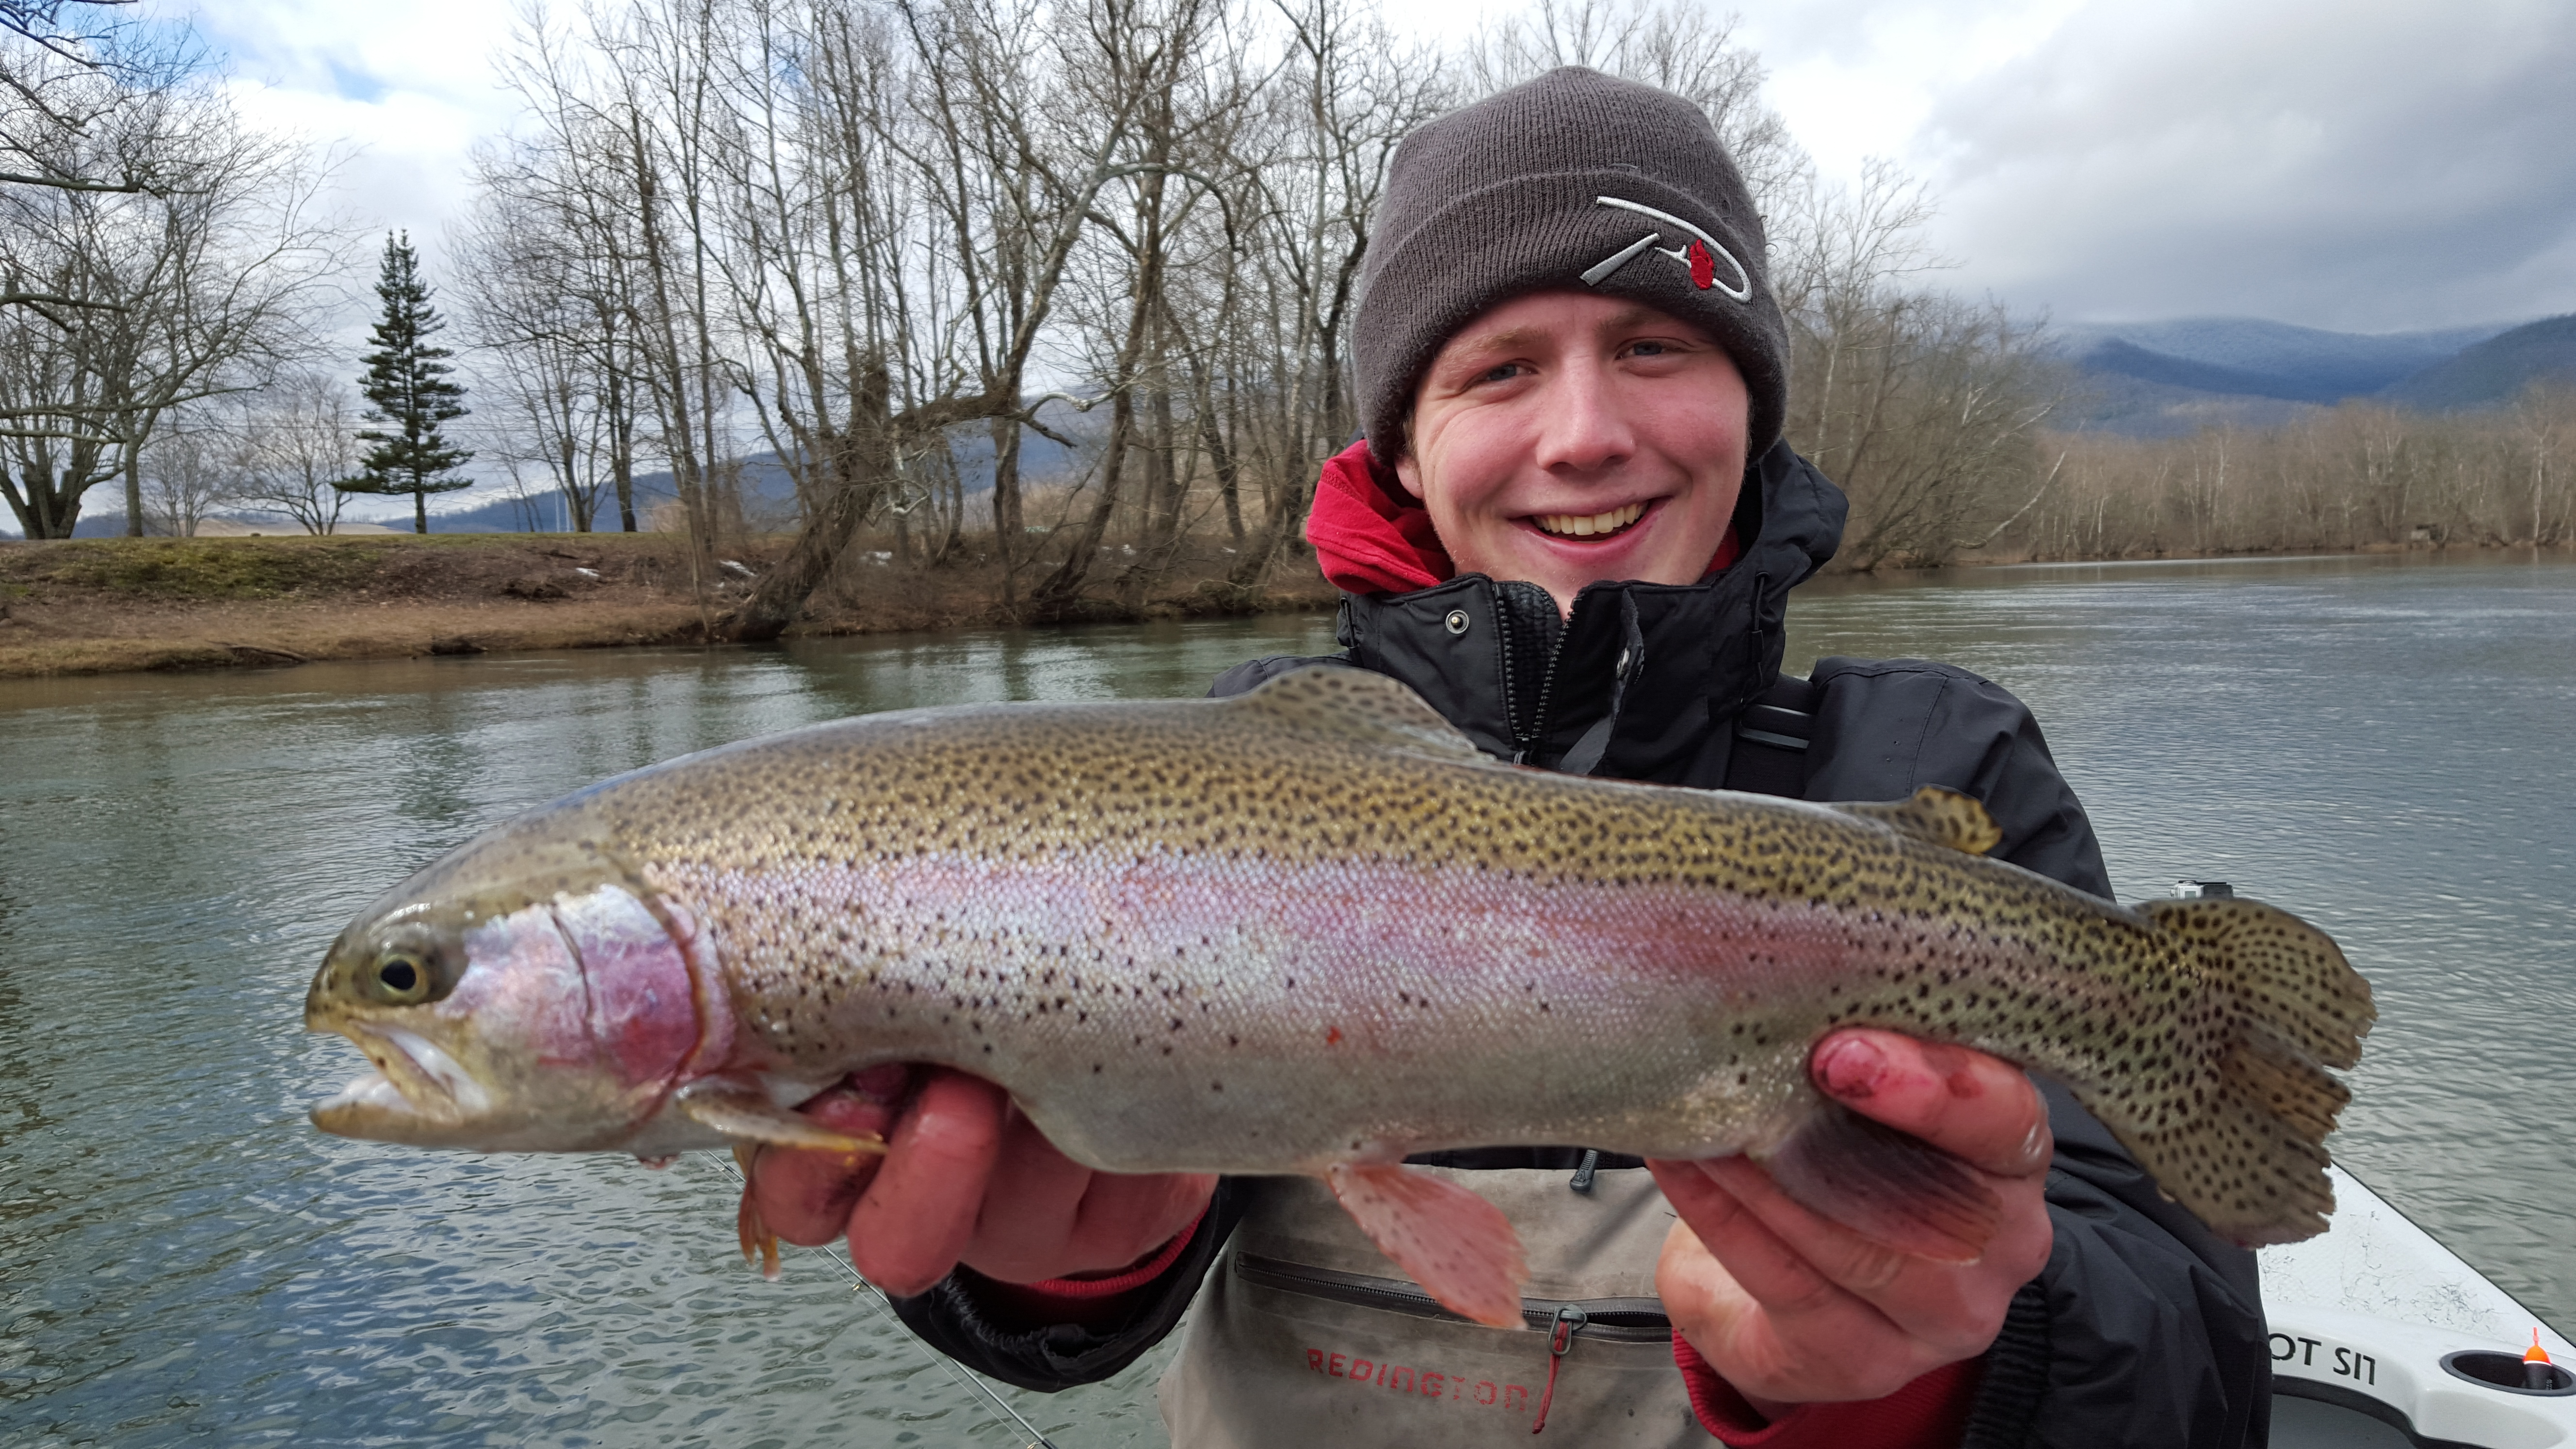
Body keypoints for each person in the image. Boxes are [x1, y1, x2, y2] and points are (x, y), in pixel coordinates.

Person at [748, 67, 2270, 1448]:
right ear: (1401, 446)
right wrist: (1079, 1261)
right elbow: (1053, 1319)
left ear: (1754, 404)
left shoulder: (1940, 756)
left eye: (1657, 344)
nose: (1587, 430)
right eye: (1500, 370)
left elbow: (2194, 1374)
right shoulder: (1229, 775)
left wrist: (1931, 1367)